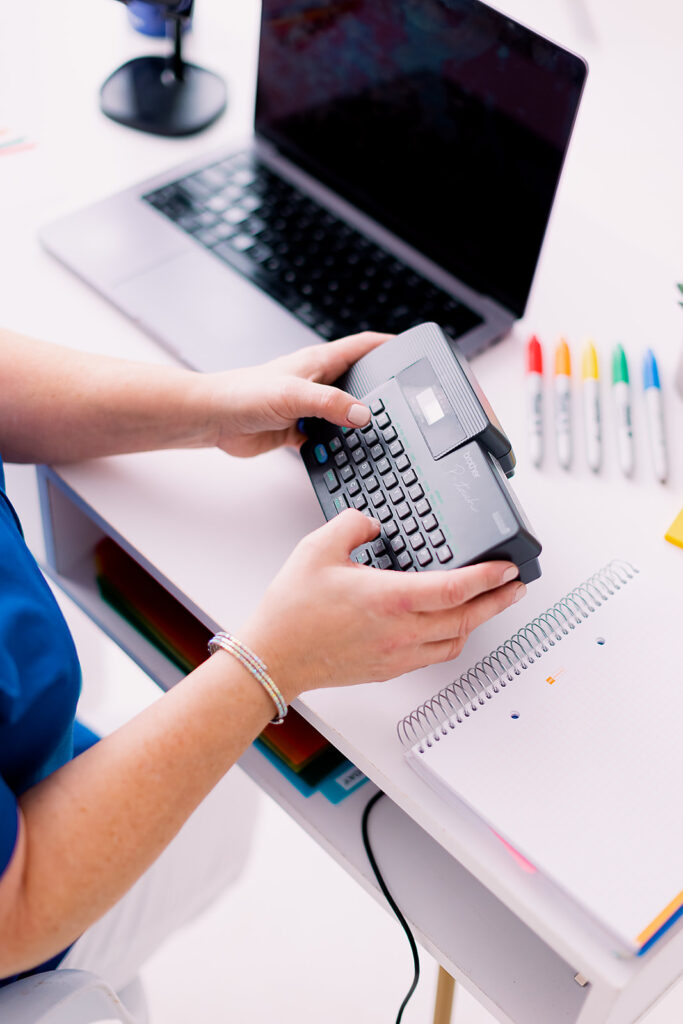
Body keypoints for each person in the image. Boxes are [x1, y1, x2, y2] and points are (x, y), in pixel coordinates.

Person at [0, 326, 525, 997]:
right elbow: (11, 910)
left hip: (29, 737)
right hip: (26, 911)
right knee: (219, 820)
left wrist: (213, 406)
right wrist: (268, 665)